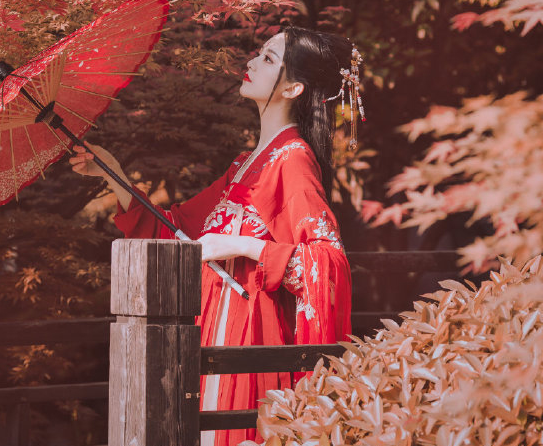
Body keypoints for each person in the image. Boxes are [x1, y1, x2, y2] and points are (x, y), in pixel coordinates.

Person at [70, 27, 362, 446]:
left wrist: (243, 246)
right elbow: (174, 230)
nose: (250, 62)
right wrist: (111, 171)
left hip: (249, 336)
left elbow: (328, 264)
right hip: (212, 327)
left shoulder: (293, 161)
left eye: (266, 59)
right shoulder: (245, 164)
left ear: (294, 87)